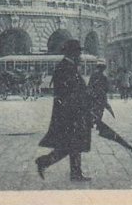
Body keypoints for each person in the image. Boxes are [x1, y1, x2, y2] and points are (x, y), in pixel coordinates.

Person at [36, 39, 93, 182]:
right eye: (78, 52)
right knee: (71, 145)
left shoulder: (69, 67)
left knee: (73, 145)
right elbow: (67, 93)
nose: (80, 56)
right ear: (72, 53)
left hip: (73, 113)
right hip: (69, 115)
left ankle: (73, 172)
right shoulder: (64, 68)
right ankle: (46, 162)